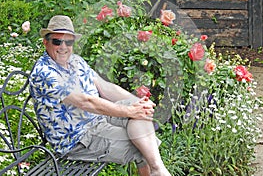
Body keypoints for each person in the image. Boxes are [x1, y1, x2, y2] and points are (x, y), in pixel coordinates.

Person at [29, 15, 171, 176]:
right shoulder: (45, 73)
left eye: (68, 42)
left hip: (96, 121)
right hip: (78, 139)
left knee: (141, 117)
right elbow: (86, 102)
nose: (63, 47)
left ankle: (158, 169)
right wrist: (130, 111)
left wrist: (139, 103)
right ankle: (158, 170)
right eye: (57, 41)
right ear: (45, 42)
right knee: (142, 145)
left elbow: (105, 87)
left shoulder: (76, 61)